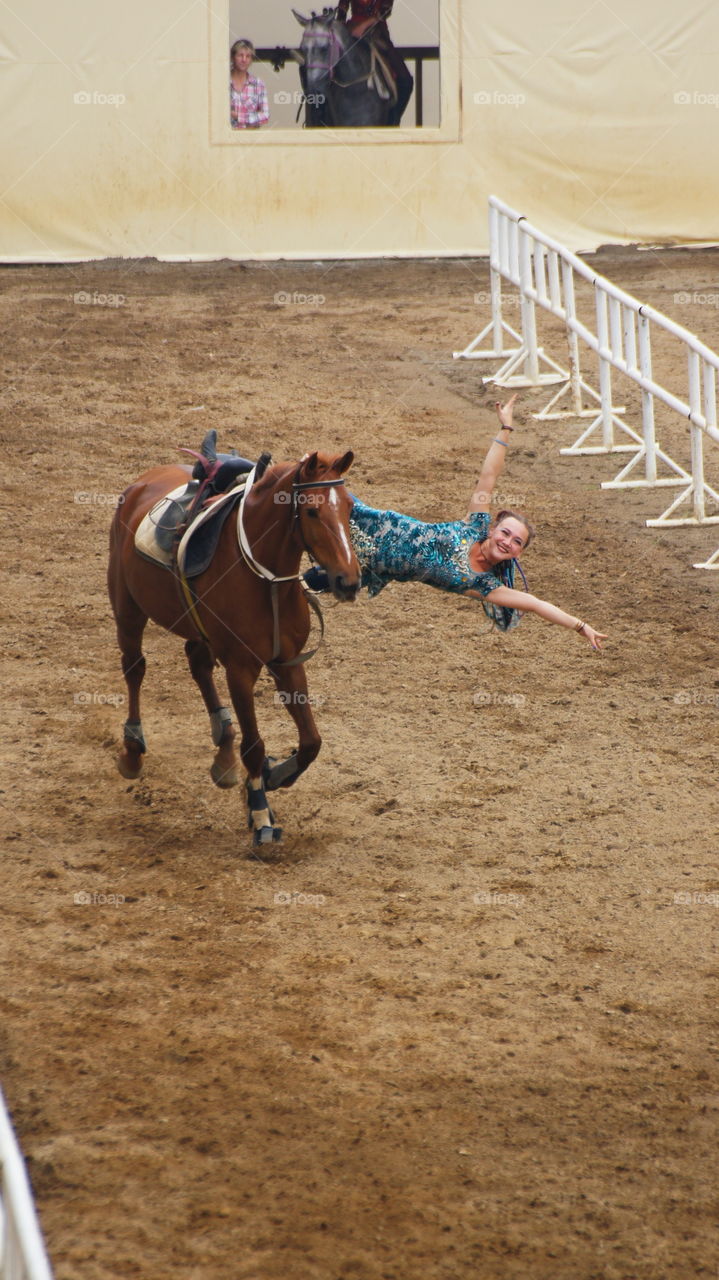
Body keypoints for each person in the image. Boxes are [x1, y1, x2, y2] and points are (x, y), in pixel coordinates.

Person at [304, 396, 608, 651]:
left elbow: (536, 604)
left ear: (518, 554)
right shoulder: (475, 524)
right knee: (308, 480)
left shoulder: (484, 585)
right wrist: (506, 428)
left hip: (368, 563)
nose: (507, 541)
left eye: (516, 542)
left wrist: (580, 626)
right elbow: (489, 475)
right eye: (506, 533)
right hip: (371, 520)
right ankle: (254, 473)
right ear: (493, 530)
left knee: (306, 582)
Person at [335, 0, 413, 126]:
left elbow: (385, 11)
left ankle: (392, 119)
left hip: (377, 32)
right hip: (352, 31)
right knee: (326, 69)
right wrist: (341, 31)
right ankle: (321, 117)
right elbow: (342, 11)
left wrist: (364, 25)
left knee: (406, 80)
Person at [230, 39, 269, 130]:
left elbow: (265, 116)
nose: (244, 60)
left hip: (250, 139)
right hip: (225, 139)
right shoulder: (221, 82)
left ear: (251, 60)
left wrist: (238, 117)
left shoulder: (258, 84)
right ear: (233, 57)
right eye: (240, 55)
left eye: (248, 56)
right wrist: (252, 118)